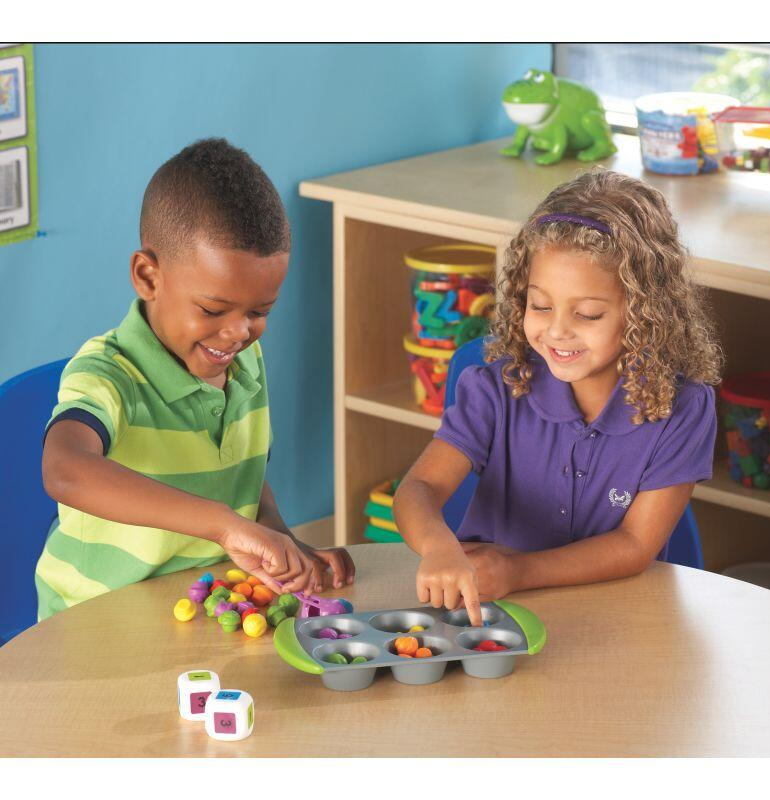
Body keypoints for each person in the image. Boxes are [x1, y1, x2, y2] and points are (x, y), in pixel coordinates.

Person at [36, 138, 354, 620]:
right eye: (212, 309)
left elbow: (244, 478)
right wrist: (223, 526)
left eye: (259, 312)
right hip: (92, 625)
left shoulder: (245, 362)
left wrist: (280, 541)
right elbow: (65, 470)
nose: (239, 332)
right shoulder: (108, 373)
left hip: (196, 612)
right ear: (148, 276)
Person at [395, 168, 722, 627]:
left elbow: (635, 544)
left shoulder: (682, 408)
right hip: (493, 613)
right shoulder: (497, 386)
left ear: (646, 313)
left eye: (587, 314)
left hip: (618, 617)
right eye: (540, 305)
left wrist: (518, 571)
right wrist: (437, 546)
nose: (556, 330)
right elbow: (418, 489)